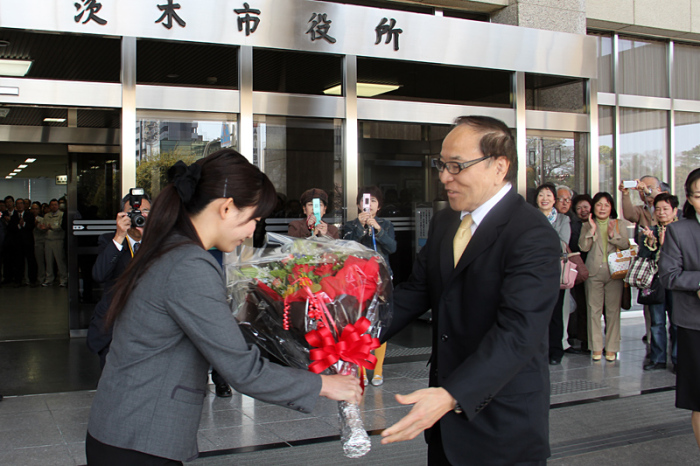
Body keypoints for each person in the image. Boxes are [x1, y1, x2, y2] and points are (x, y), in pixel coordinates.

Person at [85, 149, 360, 465]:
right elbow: (242, 371)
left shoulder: (168, 247)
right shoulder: (188, 264)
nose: (252, 230)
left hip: (125, 432)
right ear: (227, 208)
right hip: (138, 441)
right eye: (254, 218)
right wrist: (325, 384)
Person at [379, 116, 560, 465]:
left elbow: (518, 333)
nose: (444, 176)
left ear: (499, 166)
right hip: (445, 424)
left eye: (457, 166)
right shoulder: (447, 219)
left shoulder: (531, 234)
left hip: (502, 425)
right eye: (441, 165)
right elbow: (416, 291)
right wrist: (351, 336)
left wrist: (451, 395)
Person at [659, 168, 700, 451]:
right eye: (699, 194)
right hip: (695, 325)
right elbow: (668, 275)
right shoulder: (679, 230)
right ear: (690, 198)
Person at [87, 191, 151, 369]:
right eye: (133, 212)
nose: (140, 216)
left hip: (150, 331)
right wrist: (120, 236)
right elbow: (99, 275)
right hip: (114, 330)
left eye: (145, 211)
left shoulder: (161, 243)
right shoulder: (110, 240)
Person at [343, 186, 397, 387]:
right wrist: (360, 226)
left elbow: (392, 247)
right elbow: (346, 246)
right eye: (366, 201)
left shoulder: (386, 224)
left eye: (374, 201)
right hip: (357, 281)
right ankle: (361, 371)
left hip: (381, 279)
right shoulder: (350, 225)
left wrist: (378, 230)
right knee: (360, 325)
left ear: (379, 206)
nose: (370, 205)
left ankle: (378, 371)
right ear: (359, 204)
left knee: (381, 324)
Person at [578, 192, 631, 362]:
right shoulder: (587, 225)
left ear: (611, 207)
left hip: (614, 272)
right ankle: (595, 347)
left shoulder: (618, 224)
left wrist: (612, 235)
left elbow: (625, 245)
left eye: (606, 205)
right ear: (594, 207)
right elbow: (583, 247)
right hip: (593, 272)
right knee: (593, 310)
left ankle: (612, 348)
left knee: (613, 311)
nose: (602, 208)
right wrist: (592, 231)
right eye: (599, 204)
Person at [619, 175, 668, 346]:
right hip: (650, 266)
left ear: (660, 190)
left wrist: (649, 193)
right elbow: (629, 214)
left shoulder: (666, 207)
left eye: (648, 187)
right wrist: (625, 194)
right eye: (640, 187)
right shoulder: (642, 210)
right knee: (651, 306)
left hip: (668, 264)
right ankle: (652, 341)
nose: (643, 189)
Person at [640, 193, 679, 372]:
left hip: (677, 283)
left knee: (677, 322)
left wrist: (665, 246)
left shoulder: (681, 230)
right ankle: (658, 358)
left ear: (674, 211)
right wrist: (650, 242)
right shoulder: (651, 230)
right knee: (656, 322)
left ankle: (678, 359)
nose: (662, 213)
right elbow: (643, 257)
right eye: (658, 209)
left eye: (666, 209)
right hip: (656, 282)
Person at [534, 183, 571, 366]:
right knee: (535, 313)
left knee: (555, 313)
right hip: (533, 271)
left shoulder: (563, 220)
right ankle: (537, 350)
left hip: (555, 271)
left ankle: (556, 351)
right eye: (541, 195)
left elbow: (562, 243)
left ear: (554, 200)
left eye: (548, 195)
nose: (545, 198)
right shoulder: (529, 218)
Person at [568, 194, 593, 353]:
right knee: (580, 304)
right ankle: (580, 337)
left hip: (594, 269)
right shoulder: (573, 225)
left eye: (586, 207)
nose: (583, 211)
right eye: (579, 208)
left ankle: (589, 339)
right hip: (578, 269)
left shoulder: (597, 223)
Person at [41, 199, 68, 287]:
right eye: (52, 205)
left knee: (60, 261)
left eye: (55, 205)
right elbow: (43, 226)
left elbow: (60, 226)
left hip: (58, 240)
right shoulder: (46, 215)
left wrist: (51, 227)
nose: (54, 206)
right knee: (48, 261)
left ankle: (63, 279)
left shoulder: (61, 214)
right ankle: (49, 279)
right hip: (48, 240)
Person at [14, 198, 37, 287]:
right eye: (18, 204)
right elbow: (11, 228)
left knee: (31, 261)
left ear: (24, 205)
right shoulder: (14, 215)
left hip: (28, 242)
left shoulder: (29, 215)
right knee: (18, 262)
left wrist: (23, 224)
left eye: (21, 203)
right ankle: (18, 280)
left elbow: (31, 226)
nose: (19, 205)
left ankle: (32, 280)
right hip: (18, 243)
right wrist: (18, 225)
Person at [31, 202, 47, 287]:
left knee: (40, 261)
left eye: (36, 209)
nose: (34, 210)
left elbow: (43, 230)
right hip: (30, 242)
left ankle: (41, 278)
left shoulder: (42, 219)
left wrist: (37, 225)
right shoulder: (28, 218)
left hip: (39, 242)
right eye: (33, 209)